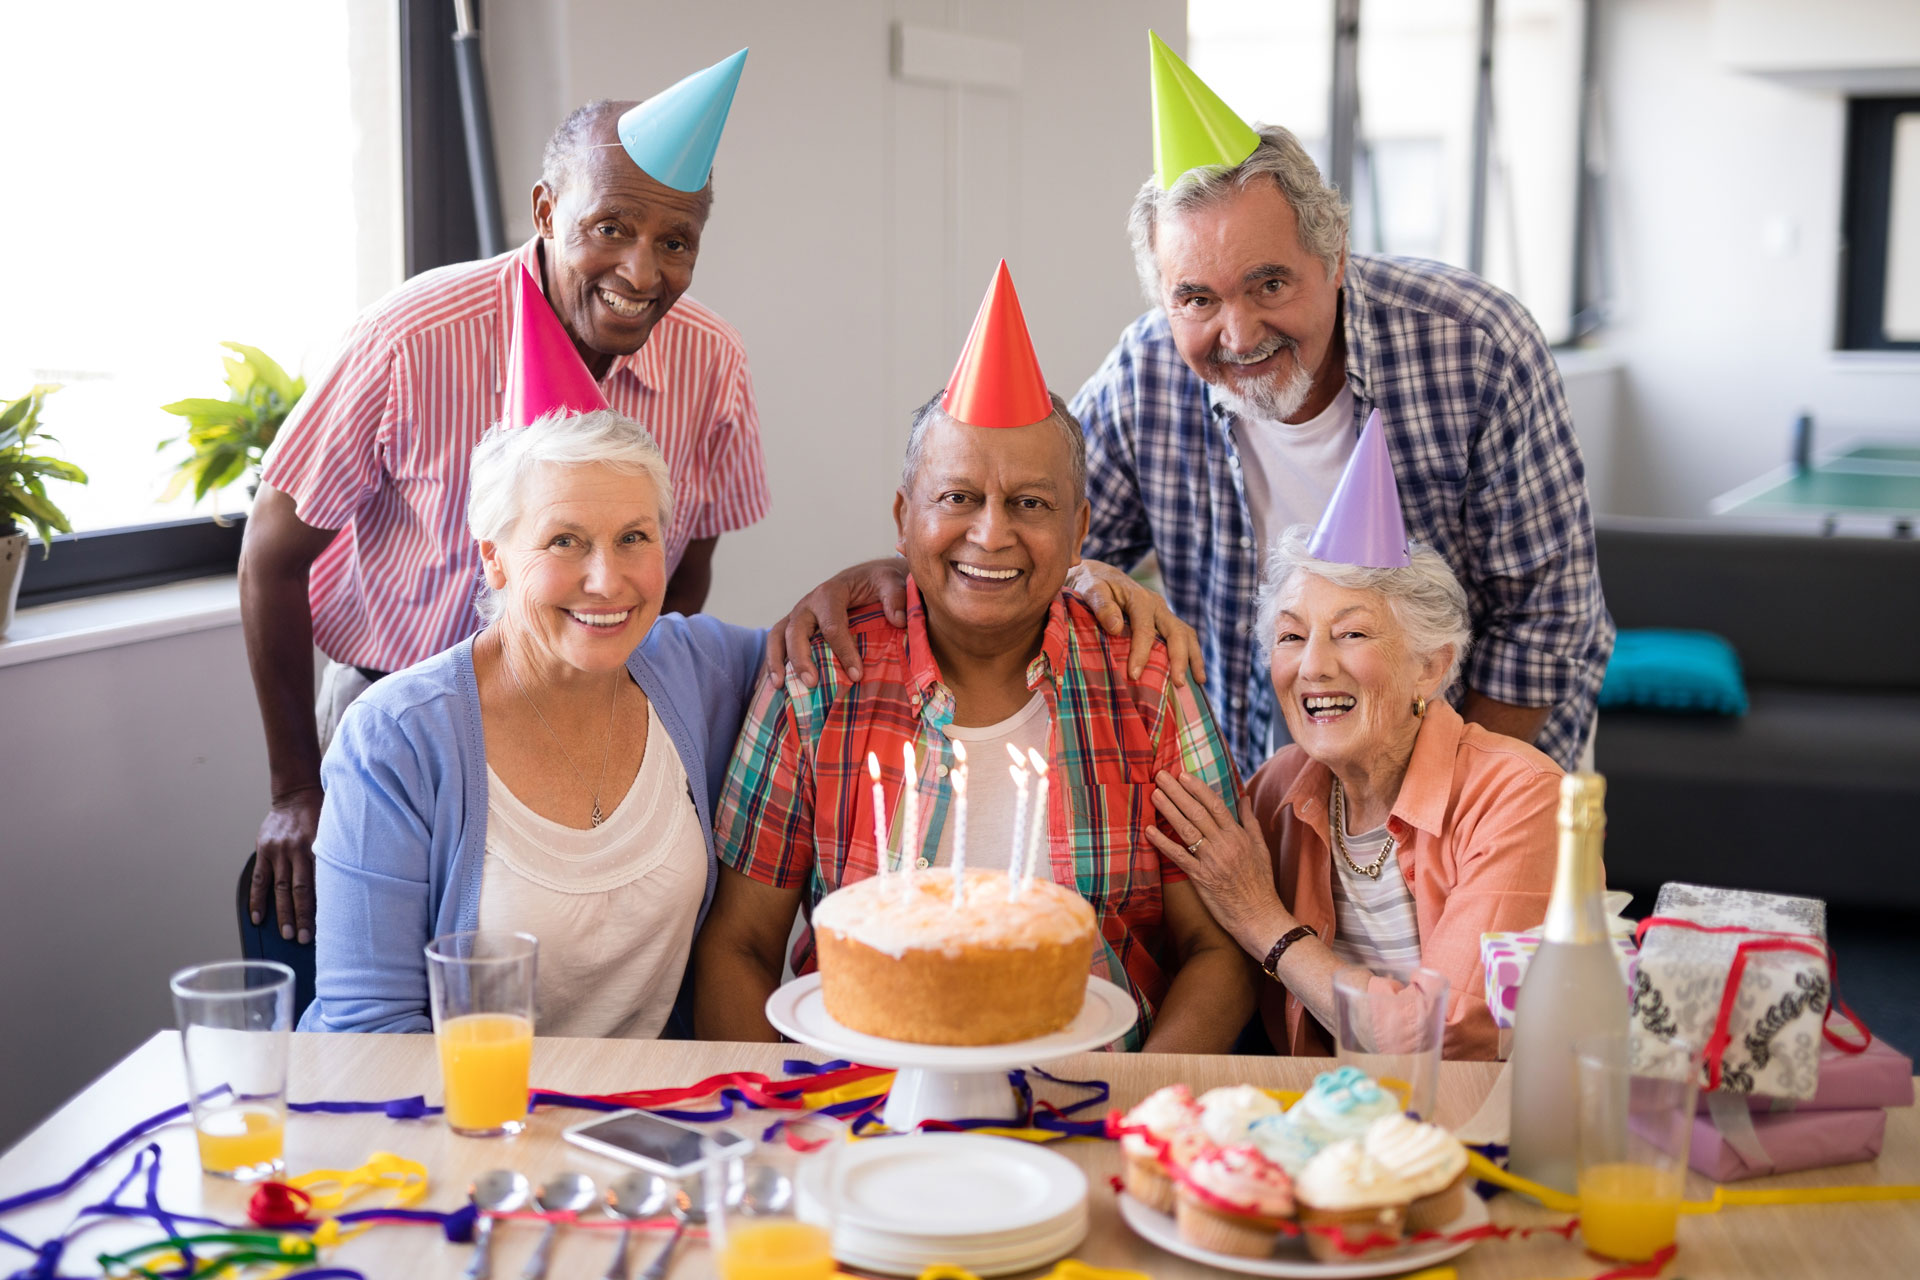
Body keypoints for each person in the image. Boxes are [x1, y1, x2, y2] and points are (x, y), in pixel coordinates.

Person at [769, 37, 1611, 783]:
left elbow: (1547, 624)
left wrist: (1445, 810)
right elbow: (1028, 537)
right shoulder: (1145, 377)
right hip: (1264, 802)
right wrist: (893, 574)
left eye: (1270, 284)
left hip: (1487, 778)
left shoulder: (1475, 346)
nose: (1237, 333)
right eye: (1197, 298)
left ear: (1337, 257)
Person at [242, 53, 768, 948]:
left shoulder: (710, 360)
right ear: (544, 210)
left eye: (675, 242)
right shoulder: (409, 338)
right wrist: (297, 786)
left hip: (583, 724)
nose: (643, 273)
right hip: (391, 715)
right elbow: (271, 560)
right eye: (611, 227)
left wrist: (640, 720)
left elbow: (686, 575)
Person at [694, 264, 1255, 1052]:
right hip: (864, 1106)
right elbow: (737, 948)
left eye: (1030, 503)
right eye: (958, 498)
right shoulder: (819, 679)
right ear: (904, 515)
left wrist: (1129, 1114)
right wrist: (801, 1126)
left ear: (1081, 528)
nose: (991, 534)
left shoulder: (1147, 679)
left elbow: (1218, 948)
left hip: (1094, 1101)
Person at [301, 408, 764, 1034]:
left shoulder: (700, 668)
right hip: (464, 1117)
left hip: (652, 1122)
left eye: (634, 537)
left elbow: (830, 639)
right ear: (495, 558)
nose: (606, 580)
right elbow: (370, 1033)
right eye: (564, 540)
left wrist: (865, 579)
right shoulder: (396, 737)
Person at [1146, 416, 1559, 1059]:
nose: (1312, 666)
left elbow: (1440, 1037)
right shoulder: (1275, 792)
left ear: (1432, 664)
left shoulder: (1521, 798)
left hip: (1483, 1128)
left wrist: (1266, 924)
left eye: (1352, 633)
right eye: (1290, 636)